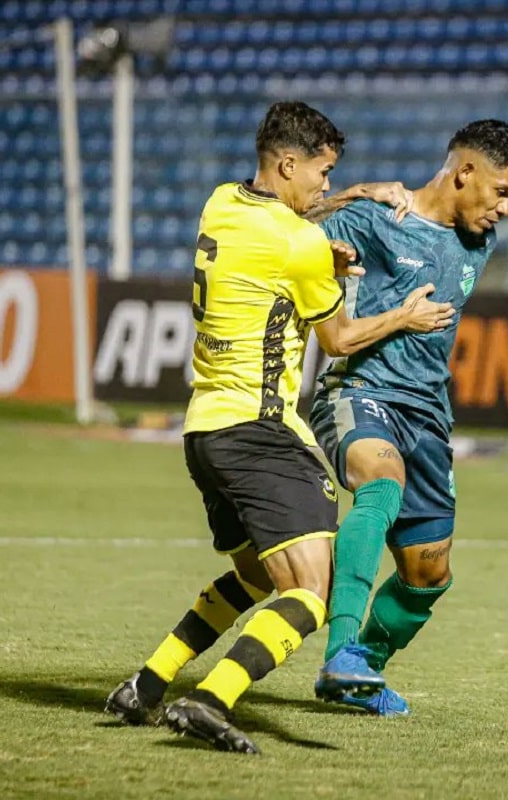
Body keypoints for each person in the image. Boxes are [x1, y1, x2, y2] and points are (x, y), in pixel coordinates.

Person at [104, 100, 455, 754]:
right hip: (260, 432)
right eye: (322, 173)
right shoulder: (299, 245)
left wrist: (341, 214)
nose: (325, 187)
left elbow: (292, 235)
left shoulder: (221, 204)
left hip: (203, 432)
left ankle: (145, 687)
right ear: (288, 163)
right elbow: (343, 336)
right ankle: (211, 701)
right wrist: (404, 315)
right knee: (310, 595)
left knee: (260, 577)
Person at [307, 120, 508, 716]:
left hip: (429, 414)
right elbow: (282, 226)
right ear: (464, 173)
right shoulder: (375, 219)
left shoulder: (477, 240)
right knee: (381, 484)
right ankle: (340, 655)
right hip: (358, 390)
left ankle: (363, 676)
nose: (505, 210)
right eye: (502, 192)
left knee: (428, 574)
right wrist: (352, 193)